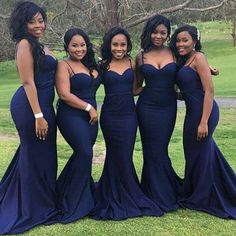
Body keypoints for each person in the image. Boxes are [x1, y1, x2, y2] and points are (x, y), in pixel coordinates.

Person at [91, 26, 163, 220]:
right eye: (115, 44)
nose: (119, 48)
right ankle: (112, 194)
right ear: (109, 45)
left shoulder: (133, 62)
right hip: (110, 116)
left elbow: (136, 88)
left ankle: (128, 193)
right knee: (115, 154)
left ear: (128, 45)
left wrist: (160, 89)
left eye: (123, 44)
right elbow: (88, 84)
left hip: (129, 116)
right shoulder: (103, 65)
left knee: (125, 154)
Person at [0, 1, 59, 234]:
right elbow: (27, 82)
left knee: (42, 153)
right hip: (30, 107)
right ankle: (33, 206)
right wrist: (38, 115)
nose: (38, 25)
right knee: (35, 153)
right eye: (32, 21)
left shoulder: (38, 45)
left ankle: (43, 198)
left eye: (41, 20)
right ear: (22, 24)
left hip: (44, 106)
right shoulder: (24, 44)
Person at [169, 24, 236, 219]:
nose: (180, 44)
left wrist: (204, 121)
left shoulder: (198, 57)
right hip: (192, 113)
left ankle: (203, 196)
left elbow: (209, 91)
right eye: (178, 40)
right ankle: (198, 189)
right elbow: (188, 90)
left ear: (195, 42)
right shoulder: (185, 60)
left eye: (185, 40)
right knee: (196, 153)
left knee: (201, 153)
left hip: (204, 114)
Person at [133, 15, 182, 212]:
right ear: (149, 32)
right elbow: (135, 88)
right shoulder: (141, 56)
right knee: (150, 151)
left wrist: (209, 69)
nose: (158, 36)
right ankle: (154, 193)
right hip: (146, 108)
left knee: (160, 149)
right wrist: (151, 90)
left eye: (163, 32)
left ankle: (164, 189)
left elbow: (192, 67)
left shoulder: (174, 53)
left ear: (168, 34)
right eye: (155, 32)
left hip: (168, 108)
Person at [55, 28, 100, 223]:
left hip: (91, 118)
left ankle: (64, 190)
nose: (79, 49)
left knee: (83, 154)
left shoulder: (91, 64)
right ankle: (75, 202)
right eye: (74, 45)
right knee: (85, 153)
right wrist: (88, 107)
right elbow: (64, 94)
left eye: (82, 45)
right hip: (71, 115)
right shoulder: (63, 65)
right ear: (67, 47)